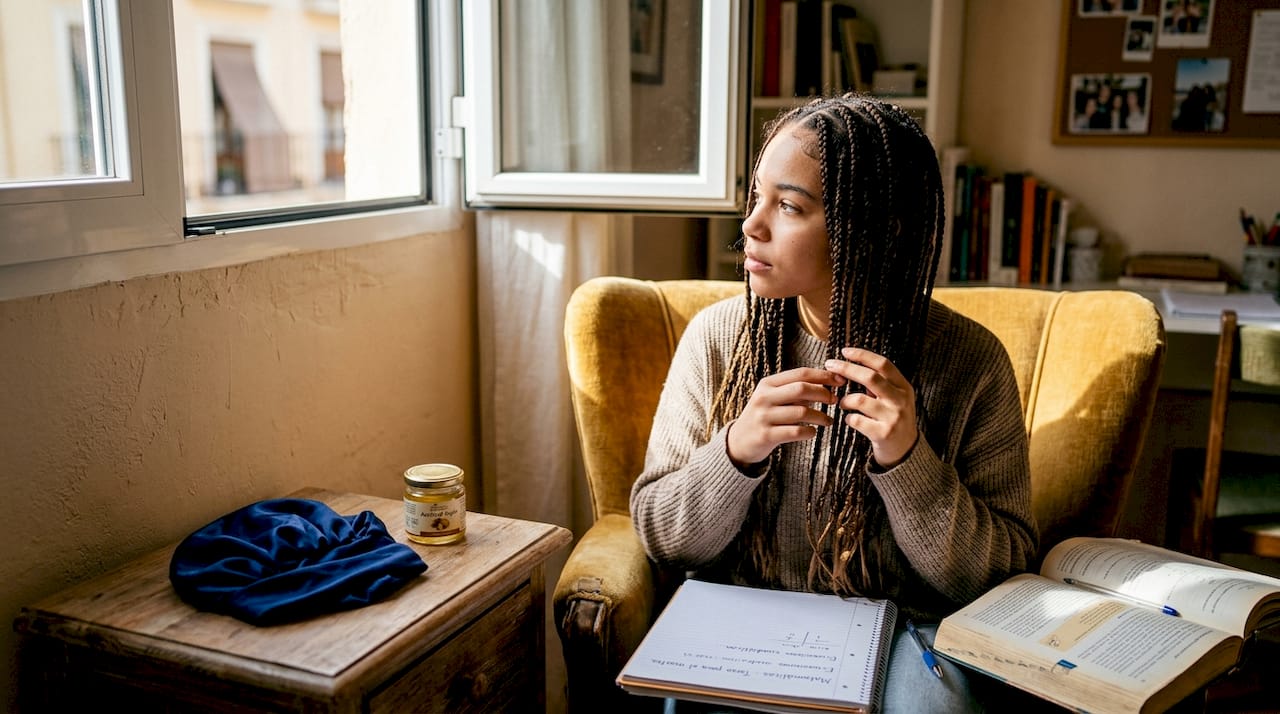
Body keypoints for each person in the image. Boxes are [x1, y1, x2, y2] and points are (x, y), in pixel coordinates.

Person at [630, 94, 1038, 712]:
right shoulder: (720, 339)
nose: (751, 226)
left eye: (789, 206)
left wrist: (909, 462)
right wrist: (735, 452)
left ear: (870, 228)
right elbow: (663, 537)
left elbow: (1001, 578)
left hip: (905, 633)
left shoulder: (972, 361)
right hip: (739, 621)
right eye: (756, 196)